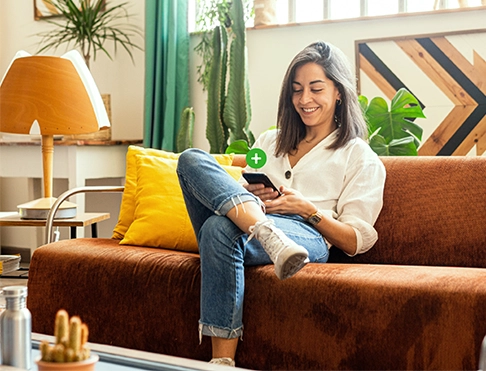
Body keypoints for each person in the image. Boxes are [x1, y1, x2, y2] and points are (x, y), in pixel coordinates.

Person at [176, 41, 386, 367]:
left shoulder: (358, 155)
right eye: (297, 90)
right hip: (253, 224)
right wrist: (249, 195)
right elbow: (234, 188)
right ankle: (264, 232)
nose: (304, 100)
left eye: (316, 89)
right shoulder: (269, 142)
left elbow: (355, 240)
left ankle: (221, 362)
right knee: (191, 160)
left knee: (218, 229)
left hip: (307, 236)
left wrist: (308, 210)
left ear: (339, 92)